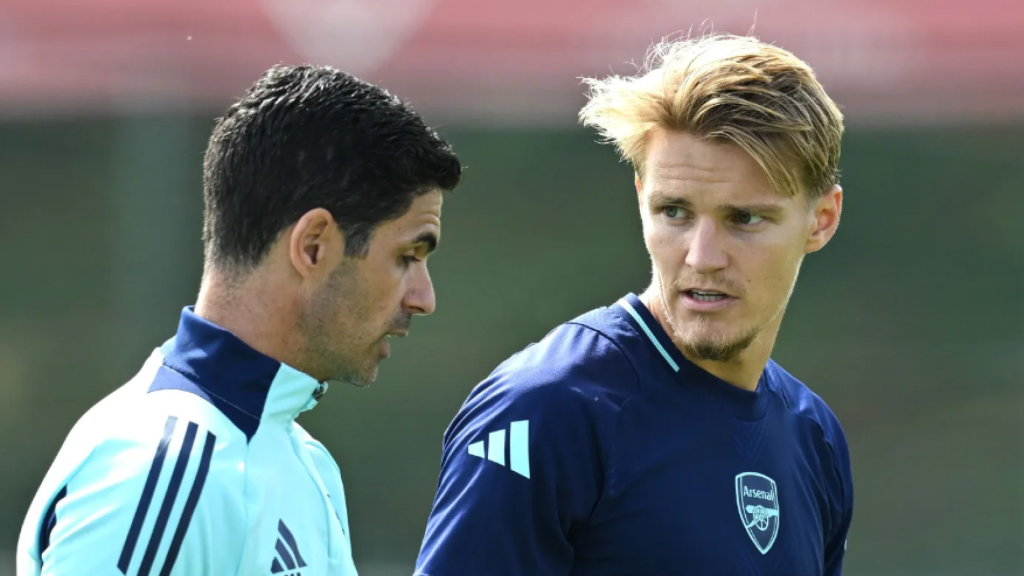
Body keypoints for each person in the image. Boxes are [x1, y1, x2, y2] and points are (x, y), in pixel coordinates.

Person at [415, 33, 852, 575]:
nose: (702, 256)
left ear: (822, 220)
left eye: (745, 218)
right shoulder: (546, 409)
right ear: (642, 195)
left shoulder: (815, 436)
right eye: (674, 212)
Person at [17, 64, 462, 576]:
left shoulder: (303, 460)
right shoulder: (165, 465)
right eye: (408, 255)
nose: (424, 298)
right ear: (313, 246)